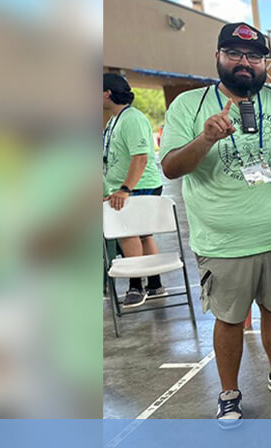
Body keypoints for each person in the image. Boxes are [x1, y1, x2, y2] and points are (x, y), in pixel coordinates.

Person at [160, 22, 271, 428]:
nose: (244, 63)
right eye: (234, 54)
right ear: (218, 57)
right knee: (229, 320)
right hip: (224, 241)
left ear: (266, 62)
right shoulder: (189, 106)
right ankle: (229, 392)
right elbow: (171, 167)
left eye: (253, 56)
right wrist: (206, 139)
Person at [103, 72, 166, 307]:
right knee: (143, 235)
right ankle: (154, 284)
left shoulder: (132, 119)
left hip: (139, 186)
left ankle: (136, 287)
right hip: (125, 187)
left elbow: (140, 157)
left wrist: (125, 189)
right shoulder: (114, 120)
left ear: (107, 93)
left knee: (129, 234)